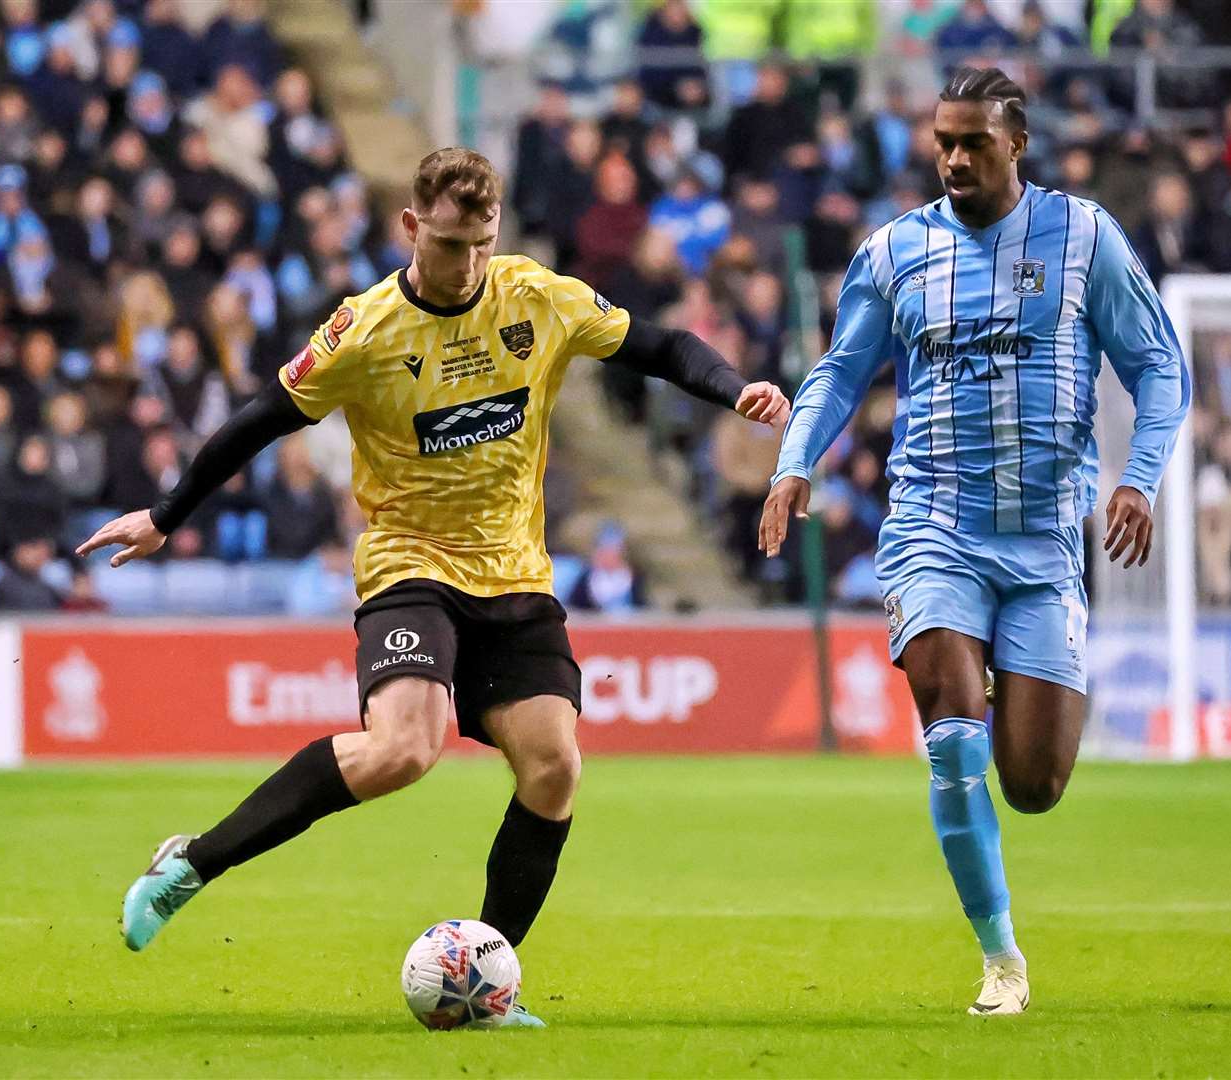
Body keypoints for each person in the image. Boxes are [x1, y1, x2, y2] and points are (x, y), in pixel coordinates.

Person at [79, 148, 789, 1027]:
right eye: (452, 245)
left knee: (554, 768)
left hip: (516, 577)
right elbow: (261, 419)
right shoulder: (363, 331)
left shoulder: (536, 296)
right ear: (413, 228)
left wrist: (734, 389)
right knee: (403, 750)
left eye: (482, 244)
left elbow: (659, 344)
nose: (468, 266)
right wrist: (167, 514)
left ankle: (487, 984)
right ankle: (192, 861)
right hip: (409, 563)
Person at [759, 68, 1190, 1016]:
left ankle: (1010, 674)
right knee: (952, 732)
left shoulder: (1081, 239)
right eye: (942, 142)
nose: (954, 158)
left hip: (1042, 543)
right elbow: (838, 373)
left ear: (1016, 144)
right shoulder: (895, 251)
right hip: (932, 528)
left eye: (974, 143)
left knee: (1032, 785)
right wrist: (794, 463)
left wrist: (1138, 477)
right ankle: (1000, 959)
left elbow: (1158, 368)